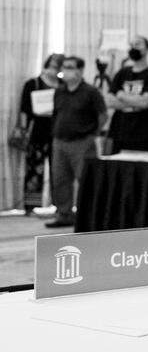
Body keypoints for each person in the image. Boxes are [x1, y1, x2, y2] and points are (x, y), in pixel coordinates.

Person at [45, 56, 107, 228]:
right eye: (64, 67)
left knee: (85, 180)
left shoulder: (91, 92)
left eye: (70, 67)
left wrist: (92, 135)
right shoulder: (60, 91)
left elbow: (102, 115)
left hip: (82, 142)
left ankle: (87, 215)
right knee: (60, 180)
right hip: (60, 142)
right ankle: (64, 214)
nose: (65, 70)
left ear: (80, 71)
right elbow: (56, 114)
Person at [16, 53, 62, 213]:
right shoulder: (33, 83)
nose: (54, 69)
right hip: (37, 133)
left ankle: (60, 205)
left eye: (58, 67)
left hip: (59, 133)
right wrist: (22, 130)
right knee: (34, 170)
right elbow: (24, 109)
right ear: (46, 65)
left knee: (59, 171)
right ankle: (30, 206)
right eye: (52, 65)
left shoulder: (63, 85)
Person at [105, 35, 148, 154]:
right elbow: (109, 101)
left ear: (147, 49)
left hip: (143, 132)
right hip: (119, 130)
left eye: (138, 44)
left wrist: (121, 96)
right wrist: (134, 103)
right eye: (131, 45)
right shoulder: (122, 73)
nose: (134, 47)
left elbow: (145, 103)